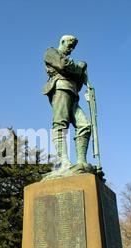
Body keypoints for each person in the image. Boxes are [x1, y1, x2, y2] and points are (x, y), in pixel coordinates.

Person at [43, 35, 93, 177]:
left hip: (73, 93)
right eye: (69, 46)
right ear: (62, 42)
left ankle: (81, 162)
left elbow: (77, 80)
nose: (71, 49)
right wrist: (80, 67)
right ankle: (64, 162)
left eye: (73, 47)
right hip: (60, 88)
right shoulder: (51, 52)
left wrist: (81, 74)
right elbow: (63, 65)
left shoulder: (69, 60)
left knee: (84, 125)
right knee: (60, 123)